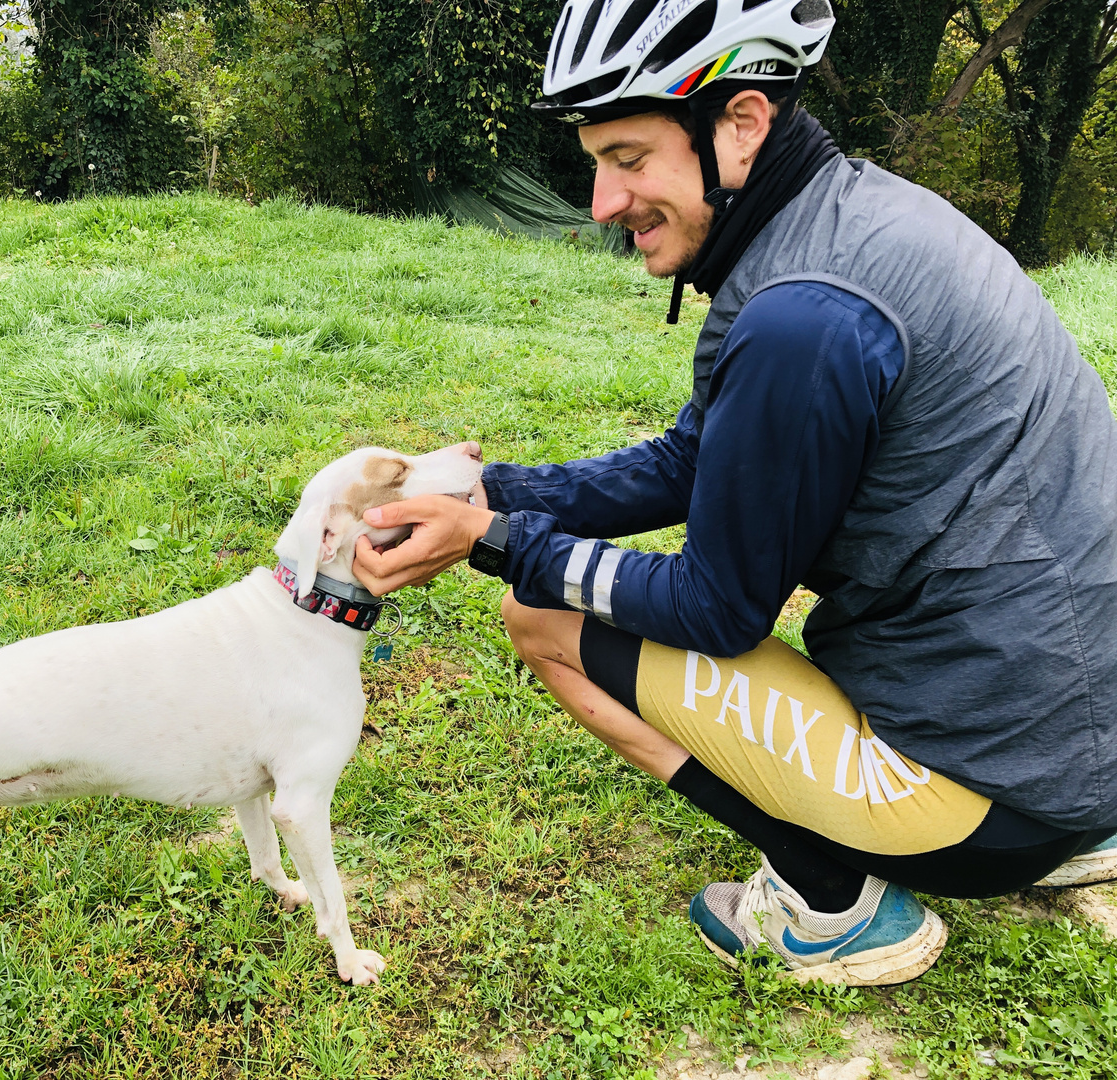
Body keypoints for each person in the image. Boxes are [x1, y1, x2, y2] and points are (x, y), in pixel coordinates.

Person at [350, 0, 1117, 986]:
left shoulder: (806, 319)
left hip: (990, 799)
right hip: (1073, 741)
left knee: (541, 618)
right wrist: (487, 487)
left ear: (740, 124)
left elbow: (716, 610)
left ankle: (832, 906)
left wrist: (494, 540)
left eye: (627, 157)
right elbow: (692, 461)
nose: (601, 201)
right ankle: (1074, 824)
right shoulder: (850, 221)